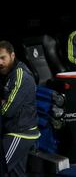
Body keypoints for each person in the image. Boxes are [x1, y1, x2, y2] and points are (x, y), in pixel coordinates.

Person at [0, 40, 40, 176]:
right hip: (13, 129)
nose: (0, 62)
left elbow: (7, 110)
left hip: (21, 133)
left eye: (2, 58)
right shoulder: (7, 74)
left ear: (12, 55)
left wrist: (4, 103)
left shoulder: (20, 75)